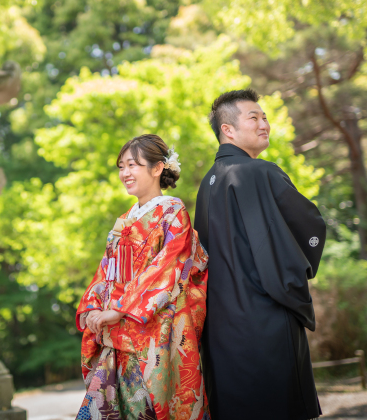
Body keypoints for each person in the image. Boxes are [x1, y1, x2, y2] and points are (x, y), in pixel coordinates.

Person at [194, 89, 326, 420]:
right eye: (254, 117)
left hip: (222, 330)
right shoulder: (260, 172)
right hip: (265, 319)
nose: (264, 123)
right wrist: (296, 277)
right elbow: (310, 225)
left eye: (265, 117)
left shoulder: (207, 183)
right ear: (228, 130)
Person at [75, 134, 210, 420]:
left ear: (158, 168)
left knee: (146, 408)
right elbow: (105, 271)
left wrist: (120, 309)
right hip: (116, 330)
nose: (125, 173)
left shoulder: (173, 212)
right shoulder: (123, 220)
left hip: (153, 328)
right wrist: (93, 307)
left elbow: (167, 269)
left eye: (133, 165)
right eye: (121, 166)